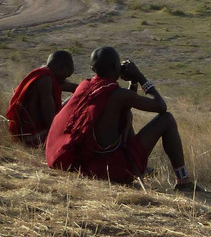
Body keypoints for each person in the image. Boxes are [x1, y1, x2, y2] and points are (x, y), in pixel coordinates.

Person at [45, 46, 201, 190]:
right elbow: (161, 106)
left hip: (89, 164)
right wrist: (140, 77)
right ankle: (183, 181)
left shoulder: (86, 86)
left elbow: (124, 108)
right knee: (167, 119)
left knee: (129, 116)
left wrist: (132, 82)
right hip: (113, 169)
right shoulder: (118, 94)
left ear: (93, 69)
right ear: (115, 68)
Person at [5, 51, 78, 146]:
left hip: (28, 133)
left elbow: (72, 87)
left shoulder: (45, 72)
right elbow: (50, 122)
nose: (65, 78)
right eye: (66, 74)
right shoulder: (45, 81)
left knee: (78, 95)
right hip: (34, 137)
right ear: (61, 67)